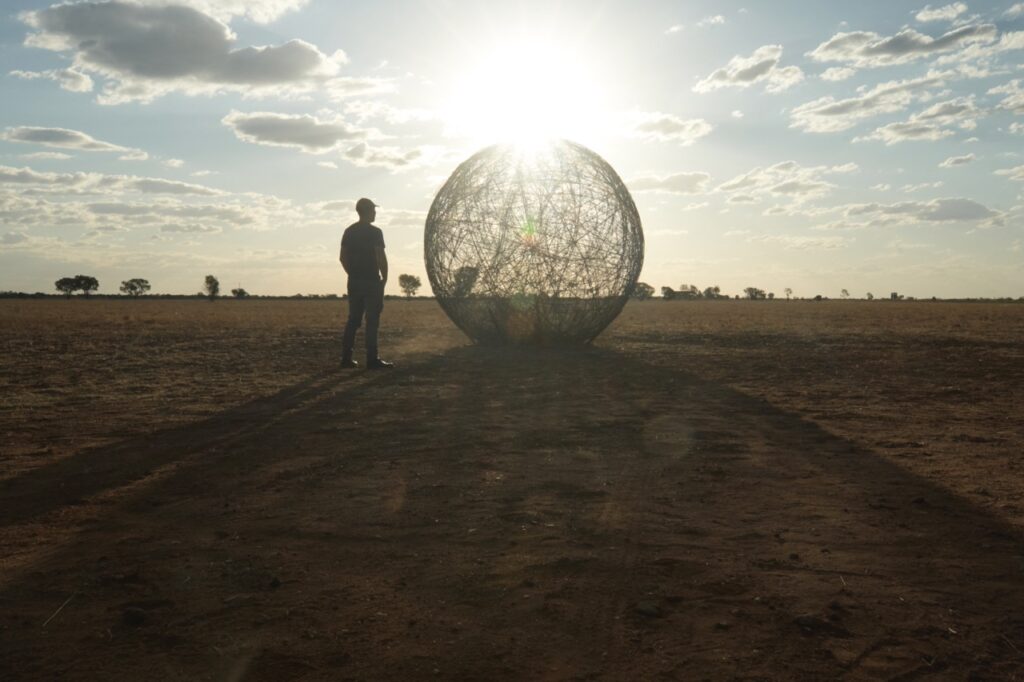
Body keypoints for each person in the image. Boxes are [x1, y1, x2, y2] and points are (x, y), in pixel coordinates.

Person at [340, 198, 393, 369]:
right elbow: (380, 256)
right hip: (371, 281)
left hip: (354, 281)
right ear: (368, 211)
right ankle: (372, 359)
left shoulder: (349, 231)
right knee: (372, 321)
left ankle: (346, 358)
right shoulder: (375, 232)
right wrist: (384, 278)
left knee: (353, 320)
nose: (375, 213)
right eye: (373, 210)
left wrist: (353, 274)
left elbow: (342, 257)